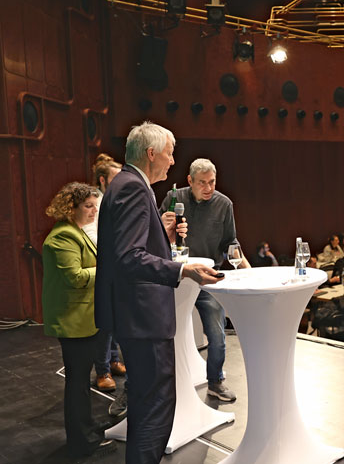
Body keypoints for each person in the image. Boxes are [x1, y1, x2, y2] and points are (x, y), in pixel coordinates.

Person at [95, 121, 222, 464]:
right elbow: (129, 258)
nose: (172, 160)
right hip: (144, 320)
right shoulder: (135, 188)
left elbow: (129, 249)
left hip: (133, 317)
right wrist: (183, 268)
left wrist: (162, 236)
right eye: (169, 153)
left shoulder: (123, 184)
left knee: (144, 406)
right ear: (151, 153)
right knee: (154, 411)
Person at [158, 157, 247, 403]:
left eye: (212, 182)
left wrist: (247, 271)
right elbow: (155, 233)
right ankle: (157, 386)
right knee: (159, 332)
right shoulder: (174, 198)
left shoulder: (224, 204)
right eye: (202, 183)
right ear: (190, 181)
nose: (208, 188)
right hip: (177, 273)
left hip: (208, 277)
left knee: (217, 334)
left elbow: (232, 242)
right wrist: (161, 225)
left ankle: (216, 382)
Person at [42, 182, 116, 458]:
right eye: (88, 206)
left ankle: (87, 428)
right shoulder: (62, 237)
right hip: (73, 321)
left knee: (82, 382)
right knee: (77, 383)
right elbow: (75, 277)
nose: (94, 211)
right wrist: (108, 269)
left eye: (96, 206)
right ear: (70, 208)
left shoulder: (77, 232)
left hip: (85, 318)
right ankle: (81, 441)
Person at [84, 154, 126, 393]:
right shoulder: (94, 202)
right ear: (102, 180)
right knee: (105, 324)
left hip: (118, 266)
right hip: (103, 267)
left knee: (117, 320)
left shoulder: (117, 198)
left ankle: (113, 360)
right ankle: (102, 370)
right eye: (115, 178)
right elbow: (92, 233)